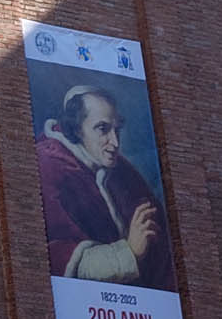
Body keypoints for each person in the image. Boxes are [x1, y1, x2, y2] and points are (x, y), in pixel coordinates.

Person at [34, 83, 174, 290]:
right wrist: (129, 251)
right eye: (103, 129)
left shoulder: (121, 171)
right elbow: (52, 257)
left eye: (117, 130)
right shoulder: (48, 165)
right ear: (76, 128)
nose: (115, 142)